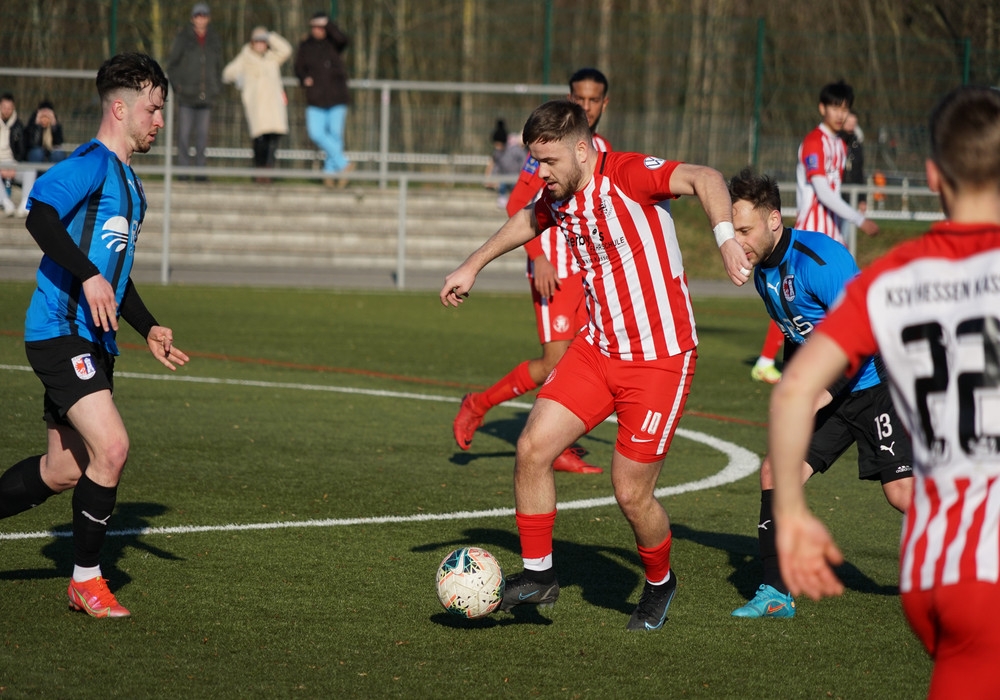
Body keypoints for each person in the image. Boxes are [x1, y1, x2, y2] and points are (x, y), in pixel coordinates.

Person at [440, 100, 751, 630]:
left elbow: (705, 177)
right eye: (536, 161)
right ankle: (539, 575)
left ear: (582, 151)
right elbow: (527, 219)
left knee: (631, 493)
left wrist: (725, 240)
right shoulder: (558, 196)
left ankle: (660, 583)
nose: (541, 173)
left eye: (550, 161)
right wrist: (472, 265)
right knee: (532, 448)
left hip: (660, 360)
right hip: (598, 350)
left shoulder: (628, 175)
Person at [769, 85, 1000, 697]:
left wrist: (790, 512)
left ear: (932, 176)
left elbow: (794, 390)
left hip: (936, 572)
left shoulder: (891, 279)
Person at [0, 52, 190, 618]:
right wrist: (85, 276)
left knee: (63, 469)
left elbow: (114, 279)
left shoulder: (132, 186)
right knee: (113, 448)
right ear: (120, 108)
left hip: (96, 340)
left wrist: (148, 326)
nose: (160, 121)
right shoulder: (89, 164)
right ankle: (86, 581)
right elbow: (39, 215)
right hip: (61, 330)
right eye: (153, 109)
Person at [726, 167, 913, 619]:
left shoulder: (820, 259)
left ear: (774, 220)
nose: (738, 241)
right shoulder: (763, 273)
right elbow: (798, 336)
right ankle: (775, 594)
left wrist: (819, 393)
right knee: (775, 472)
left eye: (745, 231)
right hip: (830, 393)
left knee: (903, 495)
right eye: (735, 231)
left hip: (875, 386)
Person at [452, 68, 613, 474]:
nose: (586, 106)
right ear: (569, 98)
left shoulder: (602, 149)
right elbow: (517, 204)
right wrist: (538, 256)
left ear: (604, 103)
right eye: (579, 98)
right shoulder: (544, 149)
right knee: (555, 363)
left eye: (593, 100)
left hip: (588, 272)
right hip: (552, 268)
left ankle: (557, 440)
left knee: (590, 359)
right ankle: (480, 405)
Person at [749, 81, 879, 385]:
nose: (840, 113)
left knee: (822, 300)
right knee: (791, 296)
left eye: (845, 108)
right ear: (822, 108)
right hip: (810, 234)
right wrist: (858, 218)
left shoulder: (840, 144)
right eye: (834, 107)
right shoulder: (814, 142)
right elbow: (822, 190)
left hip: (830, 232)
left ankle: (825, 364)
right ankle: (774, 362)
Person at [222, 26, 293, 183]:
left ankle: (269, 171)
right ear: (252, 43)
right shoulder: (245, 58)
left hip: (274, 107)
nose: (260, 44)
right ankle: (259, 171)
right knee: (260, 140)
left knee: (273, 140)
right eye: (257, 41)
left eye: (263, 41)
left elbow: (286, 49)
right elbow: (227, 73)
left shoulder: (272, 58)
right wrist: (239, 78)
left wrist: (270, 36)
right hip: (257, 107)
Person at [295, 12, 352, 188]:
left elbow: (344, 40)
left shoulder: (334, 43)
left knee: (335, 135)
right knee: (316, 133)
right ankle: (344, 164)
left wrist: (329, 24)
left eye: (321, 27)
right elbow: (298, 67)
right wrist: (304, 78)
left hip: (337, 97)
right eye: (315, 26)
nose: (318, 30)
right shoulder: (306, 45)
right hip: (315, 98)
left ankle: (329, 174)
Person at [165, 3, 223, 178]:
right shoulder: (183, 38)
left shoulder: (214, 39)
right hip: (186, 96)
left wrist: (216, 86)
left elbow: (219, 66)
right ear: (192, 18)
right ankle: (183, 172)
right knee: (183, 136)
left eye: (204, 16)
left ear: (208, 18)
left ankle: (200, 172)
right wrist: (178, 86)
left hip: (207, 95)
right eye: (198, 16)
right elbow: (172, 65)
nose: (201, 19)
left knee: (203, 137)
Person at [0, 92, 36, 217]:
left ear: (13, 108)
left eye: (9, 108)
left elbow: (21, 151)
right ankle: (6, 203)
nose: (6, 111)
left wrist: (13, 167)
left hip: (13, 163)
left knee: (30, 170)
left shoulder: (18, 126)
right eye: (4, 107)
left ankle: (25, 204)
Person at [484, 120, 526, 209]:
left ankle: (514, 200)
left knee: (514, 187)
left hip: (515, 176)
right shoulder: (497, 153)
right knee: (502, 185)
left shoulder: (515, 149)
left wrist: (522, 173)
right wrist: (492, 178)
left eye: (498, 144)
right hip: (504, 177)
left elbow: (523, 160)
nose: (497, 147)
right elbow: (496, 166)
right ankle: (502, 199)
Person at [24, 101, 67, 165]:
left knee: (58, 154)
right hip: (35, 154)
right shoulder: (32, 125)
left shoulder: (55, 126)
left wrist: (54, 125)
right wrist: (37, 126)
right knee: (37, 152)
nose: (45, 119)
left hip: (50, 153)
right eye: (42, 116)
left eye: (47, 116)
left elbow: (58, 143)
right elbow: (32, 143)